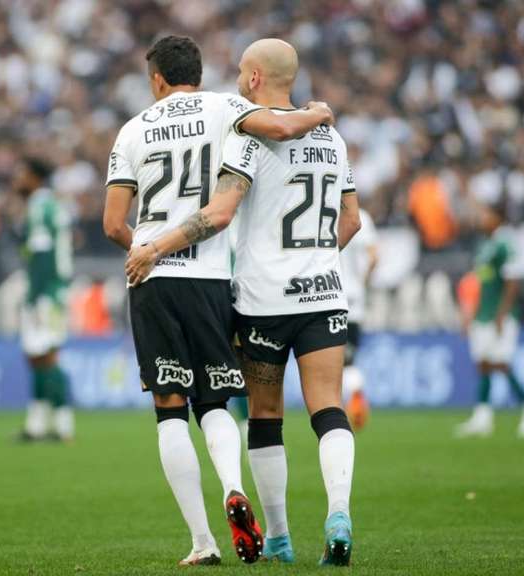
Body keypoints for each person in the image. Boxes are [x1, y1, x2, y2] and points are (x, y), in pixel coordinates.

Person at [126, 38, 360, 567]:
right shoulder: (332, 138)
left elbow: (221, 212)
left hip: (262, 299)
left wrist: (156, 247)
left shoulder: (246, 138)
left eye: (239, 71)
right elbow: (352, 222)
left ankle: (278, 537)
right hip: (324, 292)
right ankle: (339, 511)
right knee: (328, 410)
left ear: (254, 78)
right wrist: (317, 262)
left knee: (265, 417)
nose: (234, 78)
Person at [456, 203, 524, 438]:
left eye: (486, 214)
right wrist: (471, 313)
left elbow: (513, 281)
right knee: (483, 364)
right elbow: (479, 283)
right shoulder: (486, 244)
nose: (481, 218)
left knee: (502, 363)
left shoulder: (506, 242)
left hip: (499, 315)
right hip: (482, 314)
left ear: (498, 216)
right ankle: (483, 417)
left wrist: (502, 314)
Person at [15, 157, 75, 442]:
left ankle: (63, 425)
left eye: (22, 174)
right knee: (37, 357)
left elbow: (40, 253)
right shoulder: (52, 205)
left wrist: (35, 295)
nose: (18, 180)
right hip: (54, 288)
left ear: (34, 178)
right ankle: (37, 424)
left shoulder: (40, 207)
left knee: (47, 356)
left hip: (45, 292)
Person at [340, 208, 378, 431]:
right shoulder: (362, 216)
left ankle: (351, 402)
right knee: (348, 357)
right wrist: (363, 282)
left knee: (337, 360)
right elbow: (374, 256)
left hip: (327, 295)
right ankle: (353, 402)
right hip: (354, 297)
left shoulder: (324, 211)